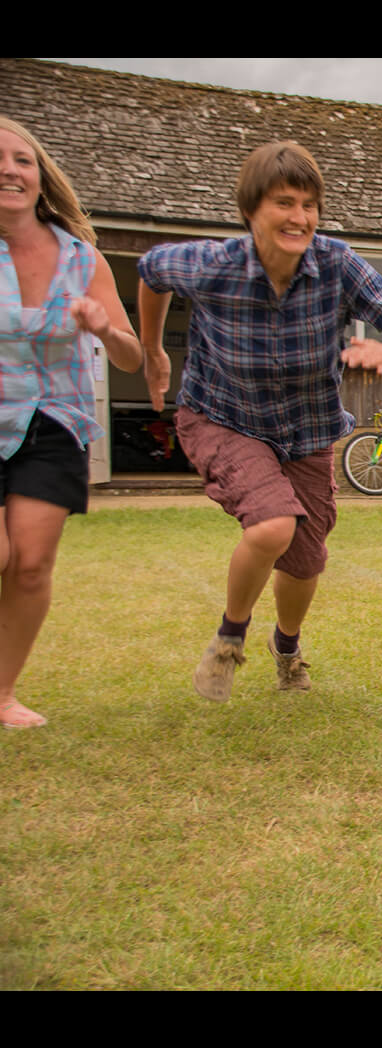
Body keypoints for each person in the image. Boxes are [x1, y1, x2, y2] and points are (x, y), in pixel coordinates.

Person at [138, 141, 382, 703]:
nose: (298, 217)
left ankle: (287, 647)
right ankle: (229, 639)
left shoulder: (336, 264)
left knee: (305, 557)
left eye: (308, 205)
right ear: (251, 210)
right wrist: (153, 349)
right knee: (272, 525)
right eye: (283, 203)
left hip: (307, 429)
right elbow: (151, 273)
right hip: (221, 415)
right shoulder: (212, 264)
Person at [0, 119, 144, 729]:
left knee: (29, 563)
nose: (10, 169)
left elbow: (130, 355)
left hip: (53, 420)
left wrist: (103, 326)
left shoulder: (81, 259)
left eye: (22, 159)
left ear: (40, 176)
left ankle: (2, 695)